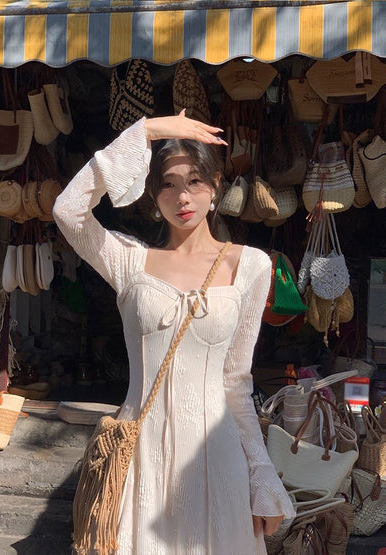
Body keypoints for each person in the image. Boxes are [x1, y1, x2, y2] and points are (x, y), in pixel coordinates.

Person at [53, 111, 296, 554]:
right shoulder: (128, 261)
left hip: (216, 458)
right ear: (153, 193)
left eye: (195, 181)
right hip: (139, 458)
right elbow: (67, 210)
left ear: (216, 185)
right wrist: (144, 132)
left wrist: (261, 474)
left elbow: (236, 383)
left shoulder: (251, 265)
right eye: (169, 183)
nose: (183, 196)